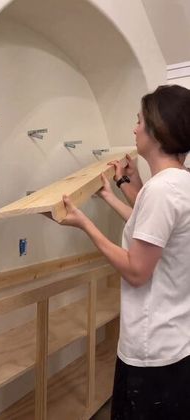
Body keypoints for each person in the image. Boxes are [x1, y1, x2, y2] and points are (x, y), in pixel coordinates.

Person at [59, 85, 190, 419]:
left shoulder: (161, 191)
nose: (134, 129)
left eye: (139, 121)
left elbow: (136, 270)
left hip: (153, 353)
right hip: (175, 345)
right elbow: (150, 231)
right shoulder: (180, 182)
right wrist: (116, 191)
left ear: (157, 129)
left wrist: (84, 224)